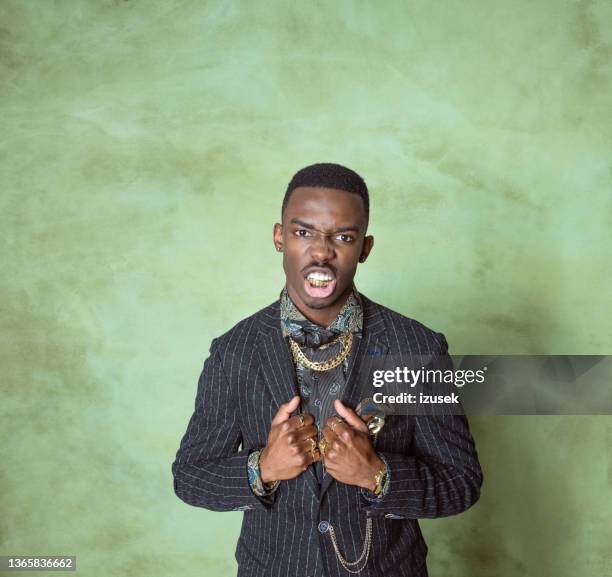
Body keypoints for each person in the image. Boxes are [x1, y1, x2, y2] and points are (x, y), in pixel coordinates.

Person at [172, 163, 483, 577]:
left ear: (365, 248)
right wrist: (262, 467)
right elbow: (190, 477)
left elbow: (462, 482)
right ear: (279, 238)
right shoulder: (235, 351)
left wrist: (379, 475)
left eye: (343, 237)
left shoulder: (417, 348)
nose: (321, 252)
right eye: (304, 233)